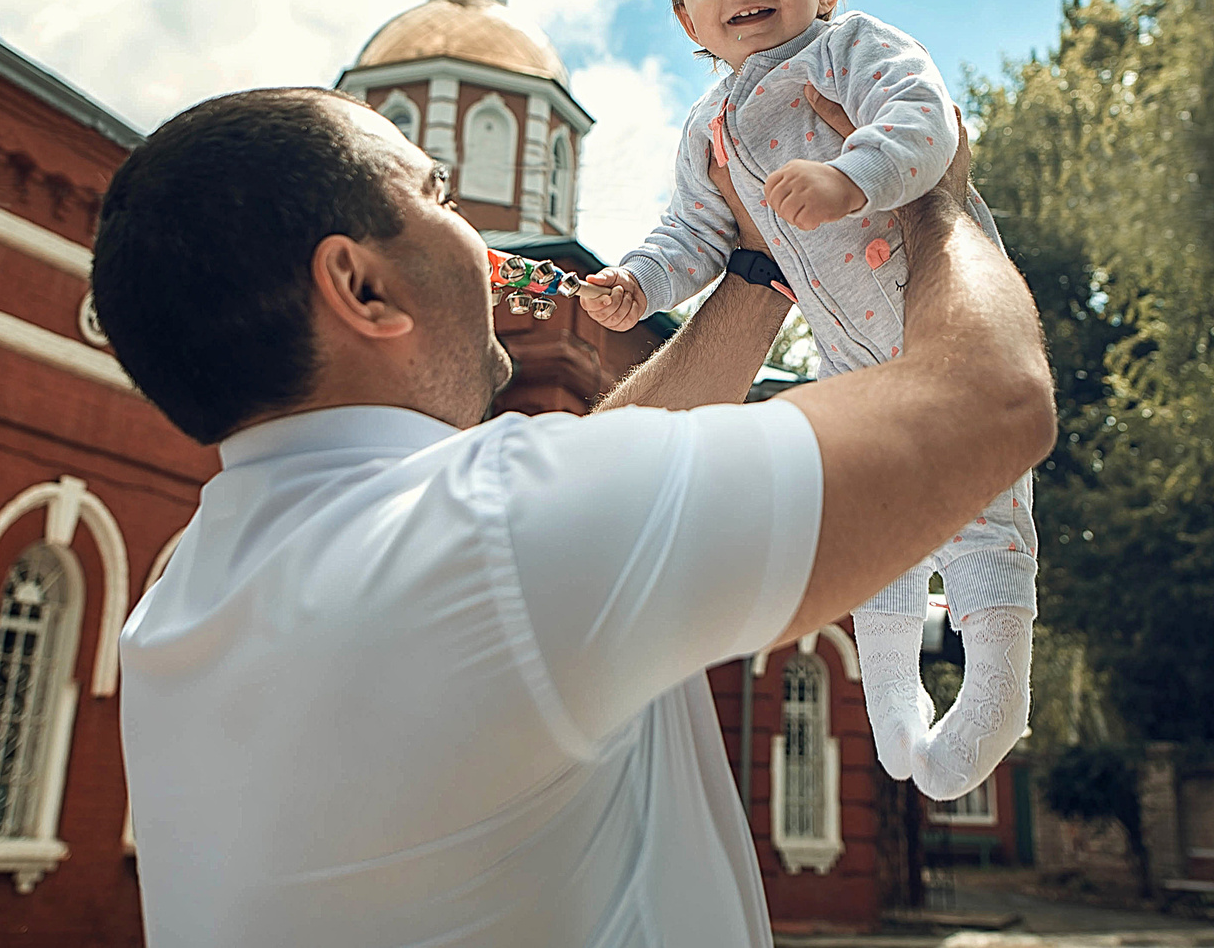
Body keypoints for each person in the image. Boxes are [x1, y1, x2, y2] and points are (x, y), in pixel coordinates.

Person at [96, 83, 1050, 948]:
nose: (483, 245)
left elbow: (576, 517)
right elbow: (997, 401)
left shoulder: (182, 593)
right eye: (438, 200)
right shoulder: (494, 534)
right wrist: (931, 192)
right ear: (361, 287)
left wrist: (759, 269)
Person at [576, 0, 1036, 802]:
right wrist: (638, 282)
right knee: (871, 513)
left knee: (983, 499)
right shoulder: (707, 129)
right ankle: (895, 701)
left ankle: (996, 691)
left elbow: (926, 122)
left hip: (933, 306)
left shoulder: (853, 47)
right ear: (687, 21)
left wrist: (848, 177)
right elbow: (695, 236)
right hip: (847, 351)